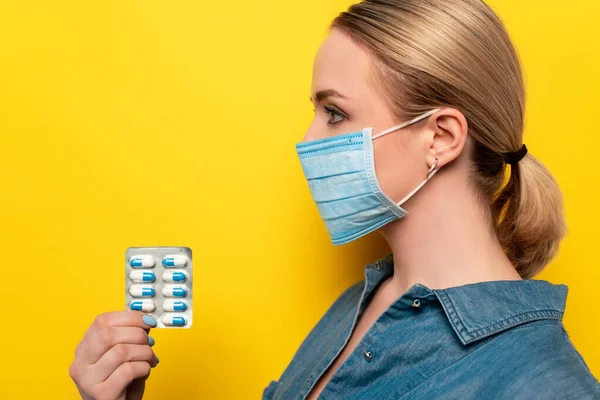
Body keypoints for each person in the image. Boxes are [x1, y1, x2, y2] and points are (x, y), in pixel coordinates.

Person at [70, 0, 600, 399]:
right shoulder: (359, 305)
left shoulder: (544, 384)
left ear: (440, 137)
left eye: (336, 113)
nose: (307, 139)